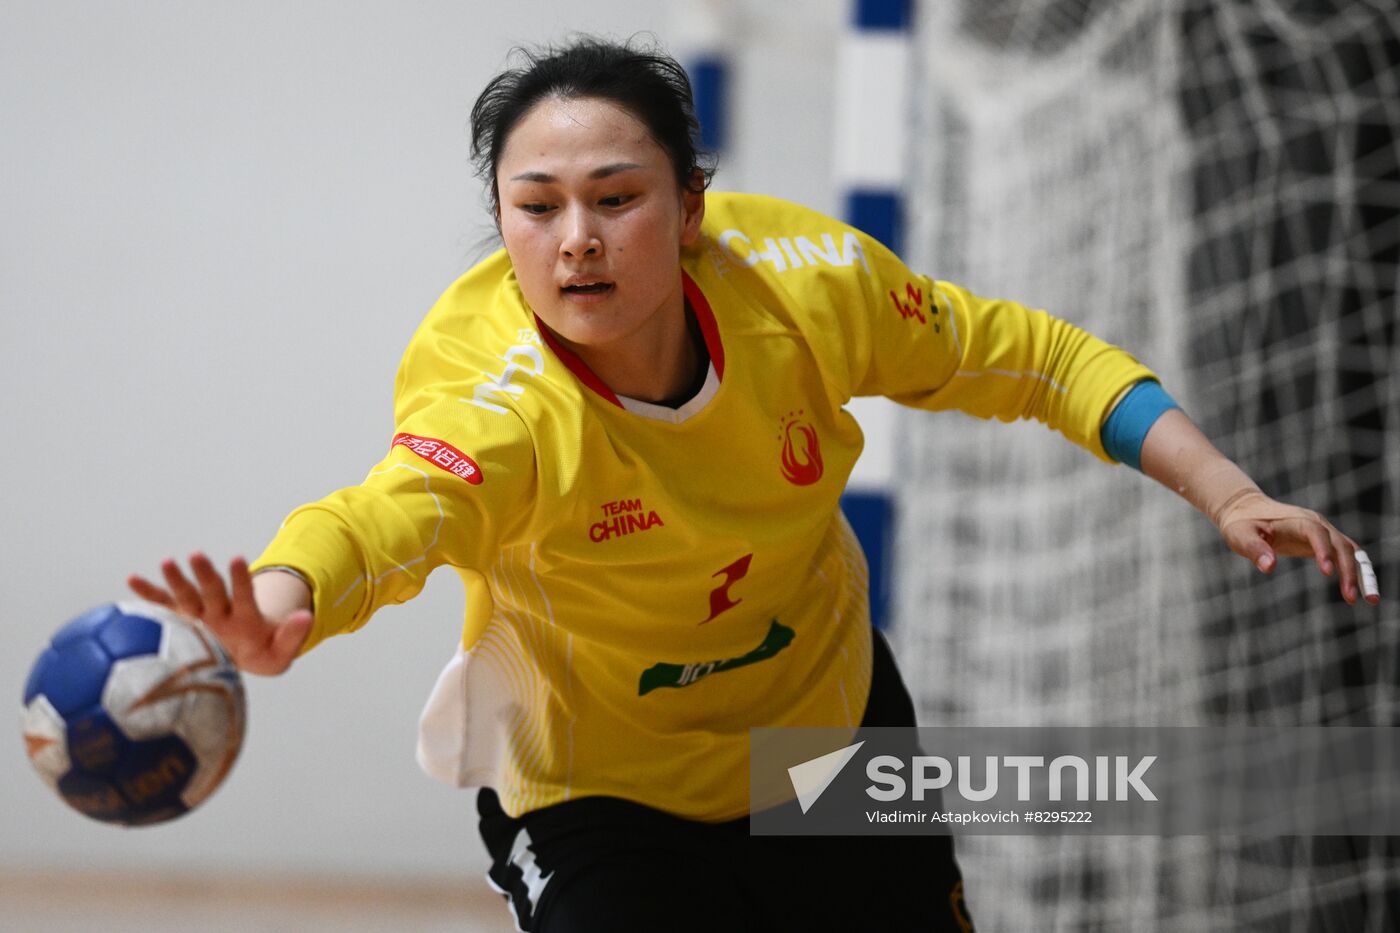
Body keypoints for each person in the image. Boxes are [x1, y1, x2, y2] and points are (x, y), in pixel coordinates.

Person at [128, 37, 1380, 933]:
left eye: (615, 200)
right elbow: (387, 515)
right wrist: (285, 598)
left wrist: (1221, 490)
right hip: (596, 792)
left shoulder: (799, 285)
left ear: (689, 211)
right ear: (501, 223)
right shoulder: (498, 403)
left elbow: (1029, 356)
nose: (575, 238)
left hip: (823, 738)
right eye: (536, 205)